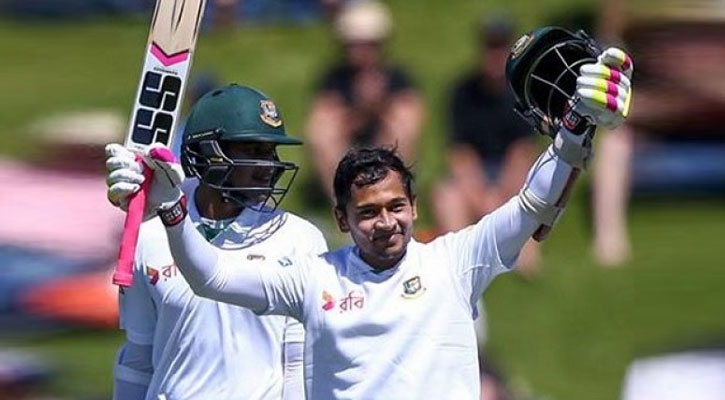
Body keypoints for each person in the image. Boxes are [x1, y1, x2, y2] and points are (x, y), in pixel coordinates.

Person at [105, 44, 633, 399]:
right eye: (368, 212)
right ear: (343, 218)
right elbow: (211, 276)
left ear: (415, 207)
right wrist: (172, 209)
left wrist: (573, 132)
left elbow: (532, 206)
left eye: (396, 207)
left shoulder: (454, 262)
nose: (386, 223)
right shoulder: (314, 277)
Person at [106, 84, 327, 400]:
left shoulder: (300, 239)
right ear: (209, 154)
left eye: (271, 152)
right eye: (253, 151)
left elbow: (299, 360)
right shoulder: (151, 235)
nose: (268, 166)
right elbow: (139, 356)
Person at [431, 17, 539, 272]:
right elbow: (460, 153)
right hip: (473, 173)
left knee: (526, 197)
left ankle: (520, 258)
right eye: (491, 47)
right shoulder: (462, 92)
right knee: (446, 196)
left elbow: (522, 153)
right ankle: (460, 263)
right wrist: (480, 196)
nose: (495, 55)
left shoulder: (523, 92)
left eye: (501, 48)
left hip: (511, 175)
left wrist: (500, 195)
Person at [306, 0, 424, 201]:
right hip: (347, 143)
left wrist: (379, 108)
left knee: (401, 123)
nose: (361, 51)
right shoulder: (335, 79)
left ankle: (392, 191)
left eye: (368, 45)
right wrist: (361, 112)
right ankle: (341, 200)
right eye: (354, 45)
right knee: (323, 132)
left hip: (384, 140)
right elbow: (321, 121)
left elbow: (413, 116)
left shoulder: (397, 77)